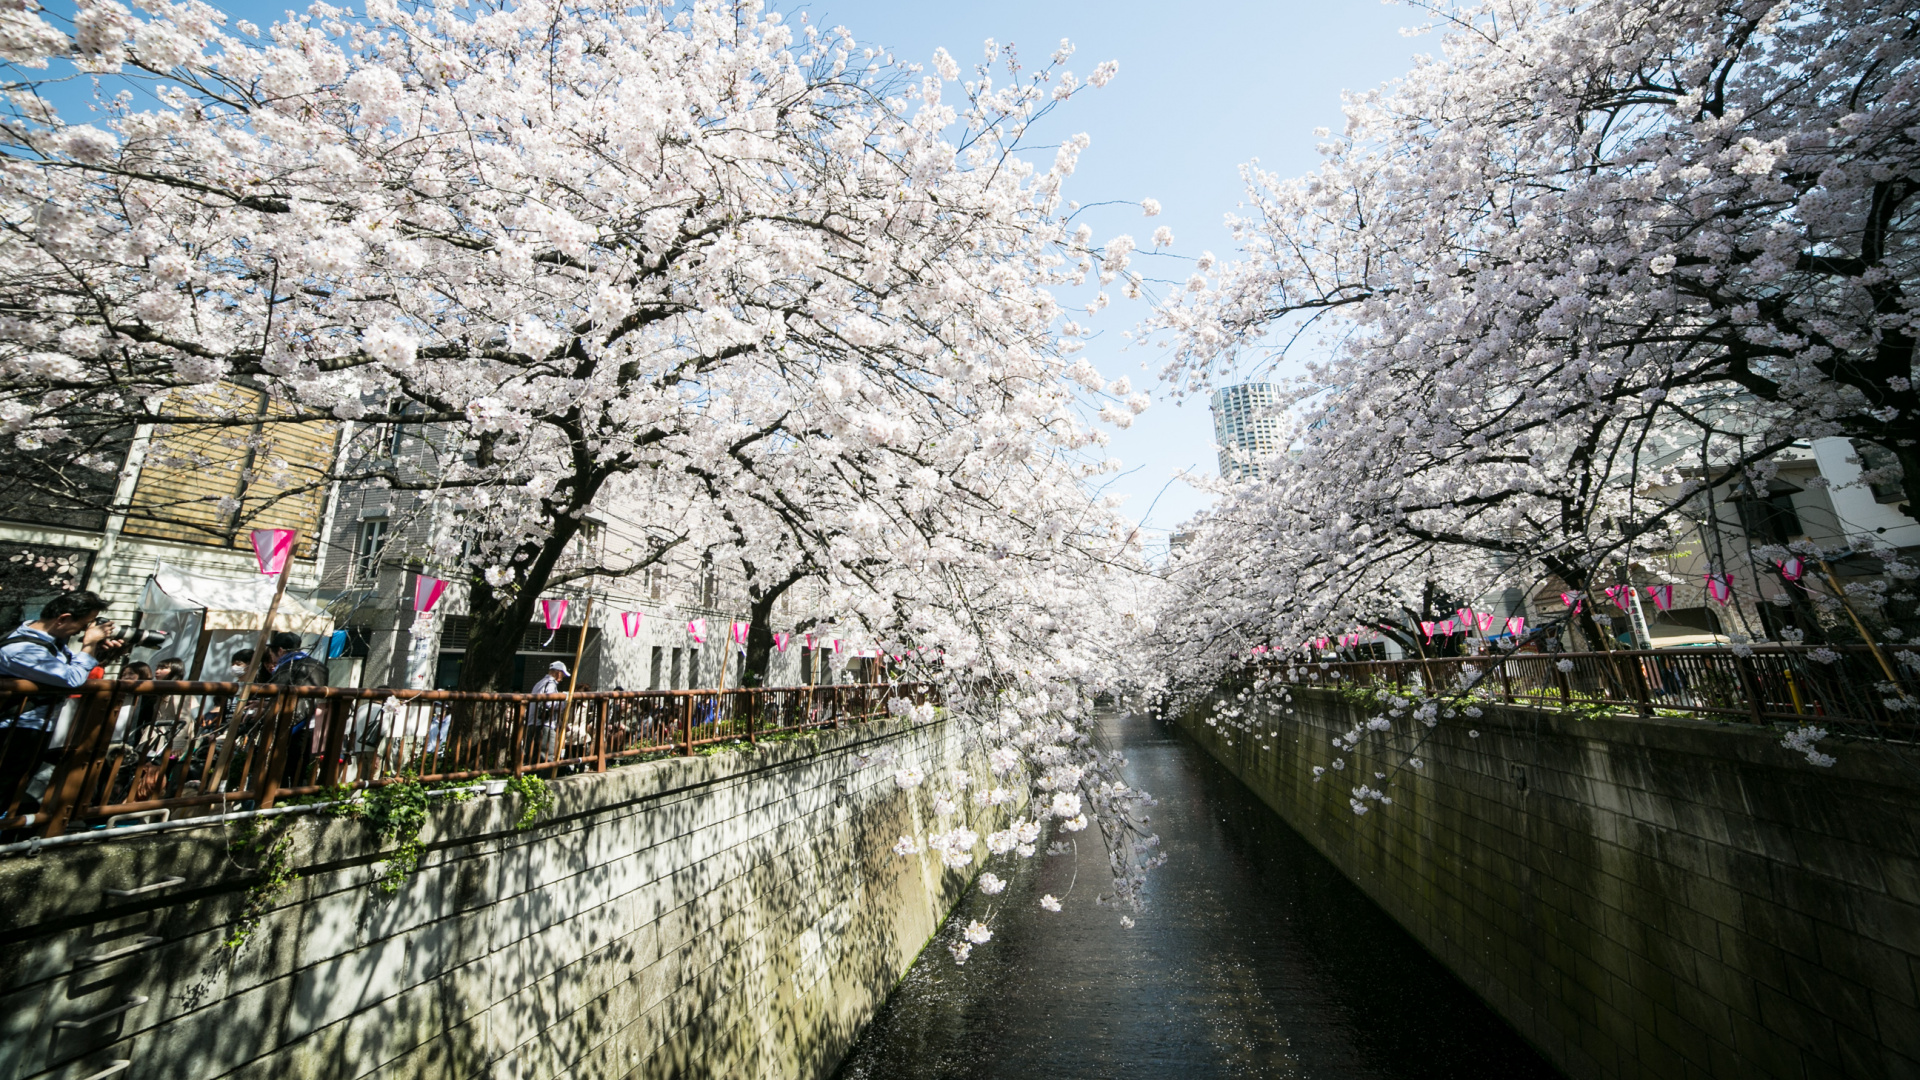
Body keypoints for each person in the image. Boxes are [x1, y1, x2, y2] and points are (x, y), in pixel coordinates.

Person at [0, 590, 123, 815]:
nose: (84, 631)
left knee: (14, 790)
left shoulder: (49, 640)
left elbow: (69, 671)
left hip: (35, 727)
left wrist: (98, 651)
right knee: (4, 789)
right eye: (84, 624)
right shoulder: (23, 649)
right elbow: (71, 679)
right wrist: (88, 645)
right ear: (63, 619)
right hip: (16, 729)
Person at [265, 631, 328, 786]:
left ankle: (278, 800)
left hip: (290, 722)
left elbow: (278, 695)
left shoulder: (285, 666)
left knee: (282, 767)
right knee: (302, 766)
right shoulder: (320, 666)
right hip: (314, 722)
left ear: (280, 650)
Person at [527, 661, 568, 766]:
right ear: (558, 673)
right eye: (562, 674)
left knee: (533, 755)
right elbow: (550, 703)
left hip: (533, 722)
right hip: (544, 724)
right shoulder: (550, 684)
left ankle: (531, 777)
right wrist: (563, 701)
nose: (562, 678)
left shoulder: (540, 683)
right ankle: (544, 779)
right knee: (546, 755)